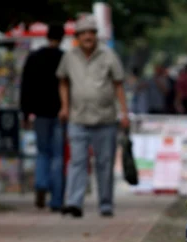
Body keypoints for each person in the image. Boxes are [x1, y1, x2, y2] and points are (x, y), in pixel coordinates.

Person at [56, 15, 129, 218]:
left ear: (96, 35)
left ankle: (105, 203)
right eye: (83, 33)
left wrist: (124, 112)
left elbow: (118, 84)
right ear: (77, 36)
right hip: (77, 118)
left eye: (91, 32)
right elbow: (63, 81)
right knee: (77, 161)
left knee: (104, 163)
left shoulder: (108, 55)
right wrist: (64, 106)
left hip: (105, 118)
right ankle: (74, 202)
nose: (88, 36)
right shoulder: (69, 56)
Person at [20, 23, 66, 212]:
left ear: (47, 36)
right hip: (61, 112)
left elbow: (26, 87)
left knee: (42, 152)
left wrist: (25, 112)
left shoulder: (34, 58)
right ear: (62, 37)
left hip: (39, 113)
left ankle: (40, 184)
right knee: (58, 155)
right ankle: (56, 199)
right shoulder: (65, 58)